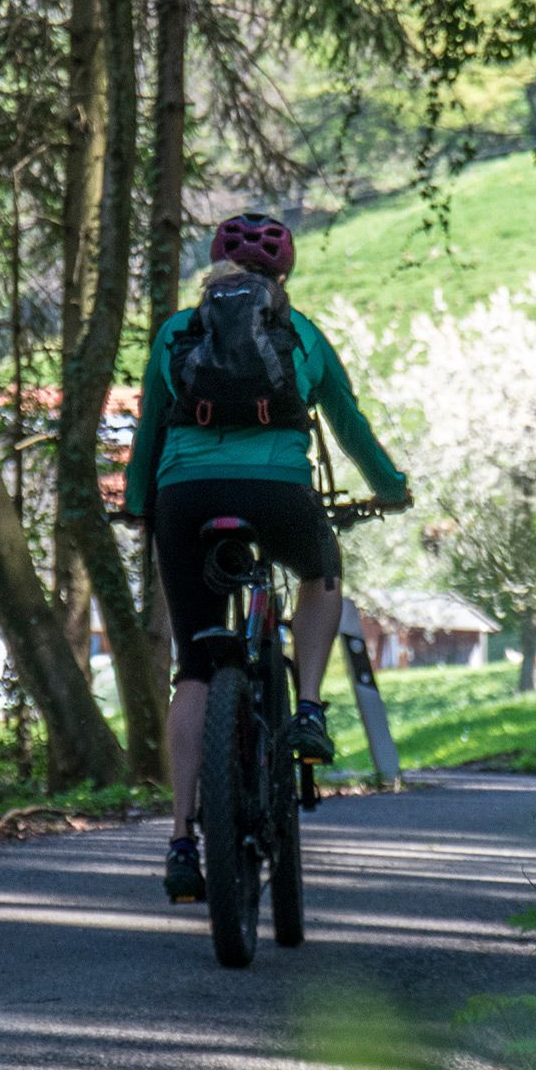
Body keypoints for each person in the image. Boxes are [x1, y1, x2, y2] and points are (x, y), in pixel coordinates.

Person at [119, 211, 410, 905]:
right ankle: (307, 708)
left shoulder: (175, 333)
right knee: (321, 571)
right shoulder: (302, 333)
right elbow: (349, 423)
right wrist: (392, 490)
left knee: (194, 670)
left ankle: (183, 840)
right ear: (284, 276)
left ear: (213, 269)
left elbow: (150, 429)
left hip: (185, 499)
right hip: (278, 493)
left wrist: (139, 505)